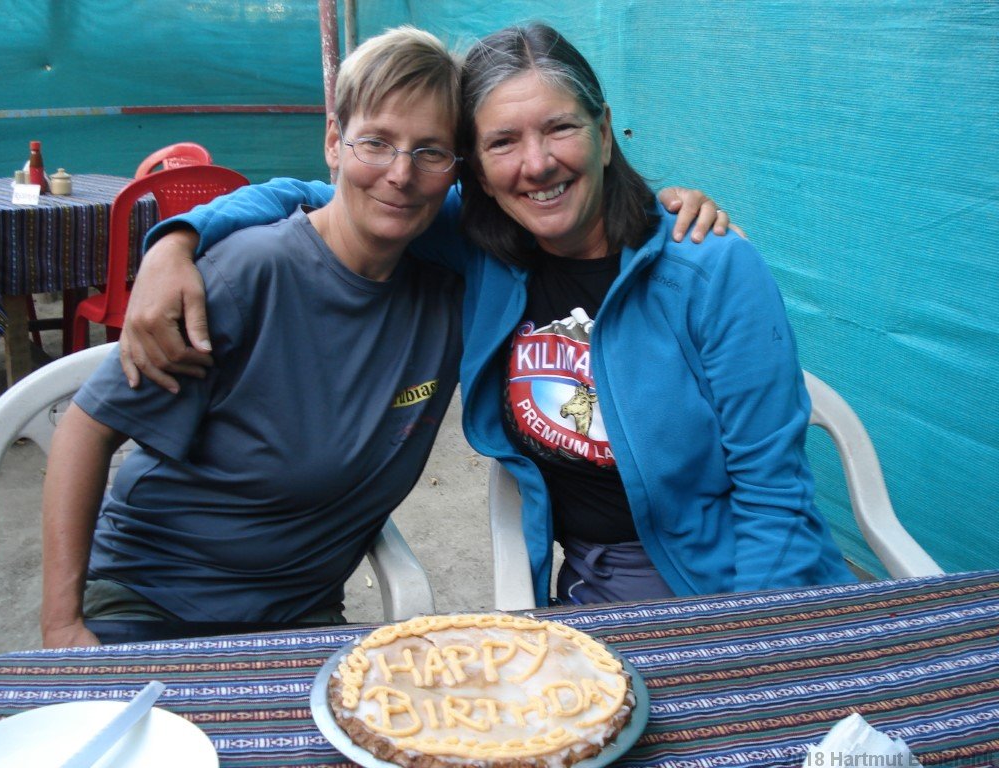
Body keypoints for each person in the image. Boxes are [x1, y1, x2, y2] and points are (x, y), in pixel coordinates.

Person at [122, 23, 851, 610]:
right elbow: (315, 192)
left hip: (740, 585)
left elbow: (774, 495)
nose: (535, 164)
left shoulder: (710, 264)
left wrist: (756, 648)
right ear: (474, 167)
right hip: (597, 592)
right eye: (503, 141)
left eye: (559, 128)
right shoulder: (480, 246)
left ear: (603, 130)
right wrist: (176, 242)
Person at [41, 27, 472, 648]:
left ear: (458, 169)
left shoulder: (456, 280)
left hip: (301, 618)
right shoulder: (247, 272)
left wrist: (661, 212)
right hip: (153, 600)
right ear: (333, 141)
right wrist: (61, 623)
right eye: (375, 142)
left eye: (431, 151)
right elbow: (88, 426)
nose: (400, 174)